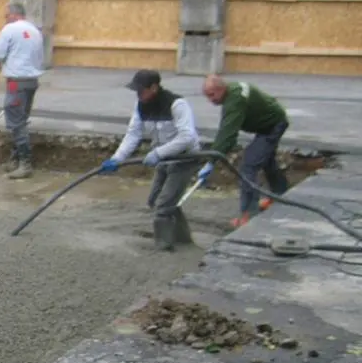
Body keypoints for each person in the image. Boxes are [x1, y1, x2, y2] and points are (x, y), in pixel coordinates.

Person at [98, 70, 201, 251]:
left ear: (154, 88)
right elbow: (133, 134)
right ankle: (182, 237)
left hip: (184, 159)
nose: (138, 94)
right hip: (163, 158)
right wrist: (117, 159)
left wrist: (158, 153)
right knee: (155, 200)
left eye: (141, 90)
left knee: (163, 204)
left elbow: (187, 137)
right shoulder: (141, 106)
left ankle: (164, 245)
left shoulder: (177, 104)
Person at [199, 74, 290, 228]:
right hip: (268, 124)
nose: (210, 100)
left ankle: (249, 213)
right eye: (207, 96)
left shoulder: (235, 100)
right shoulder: (232, 92)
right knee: (266, 160)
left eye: (212, 95)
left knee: (248, 166)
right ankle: (279, 194)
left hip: (273, 126)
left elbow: (228, 133)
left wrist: (212, 160)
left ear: (221, 89)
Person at [0, 2, 45, 180]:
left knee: (16, 123)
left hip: (16, 83)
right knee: (21, 120)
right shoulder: (35, 31)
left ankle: (25, 164)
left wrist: (0, 66)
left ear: (13, 15)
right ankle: (15, 159)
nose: (5, 19)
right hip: (31, 82)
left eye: (6, 16)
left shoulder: (10, 30)